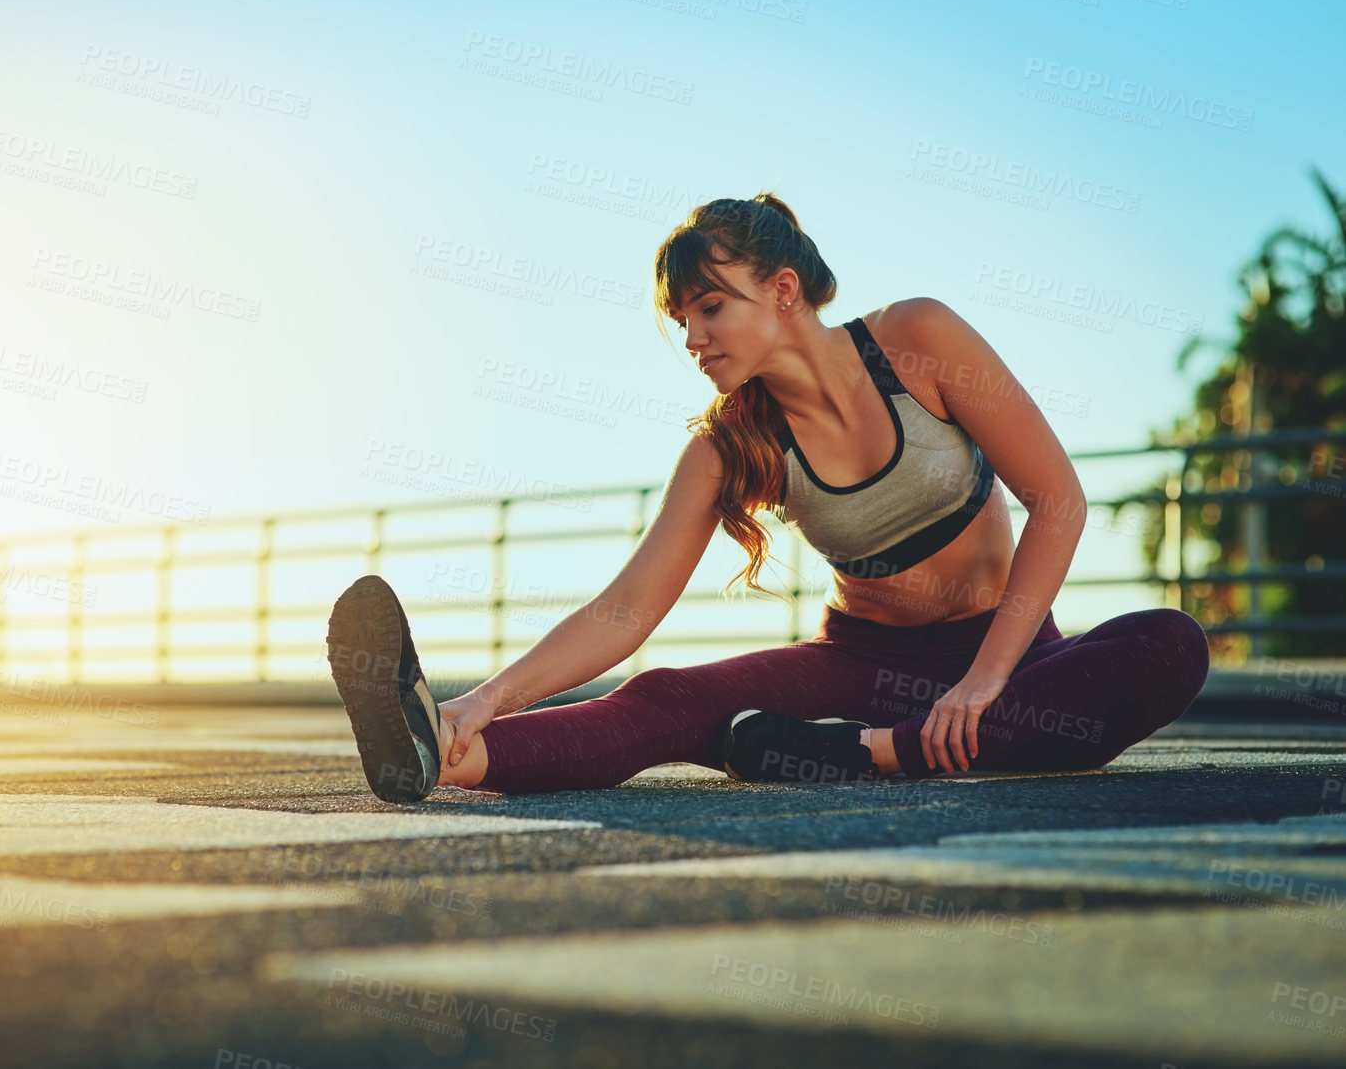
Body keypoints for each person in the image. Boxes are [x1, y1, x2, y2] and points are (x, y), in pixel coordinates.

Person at [326, 192, 1211, 803]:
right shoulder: (725, 446)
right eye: (681, 320)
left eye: (709, 307)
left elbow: (1056, 499)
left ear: (782, 290)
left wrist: (983, 682)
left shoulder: (916, 341)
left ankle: (859, 753)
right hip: (861, 664)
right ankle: (440, 754)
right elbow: (626, 609)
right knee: (664, 694)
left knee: (1166, 645)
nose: (692, 337)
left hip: (1010, 658)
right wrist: (481, 700)